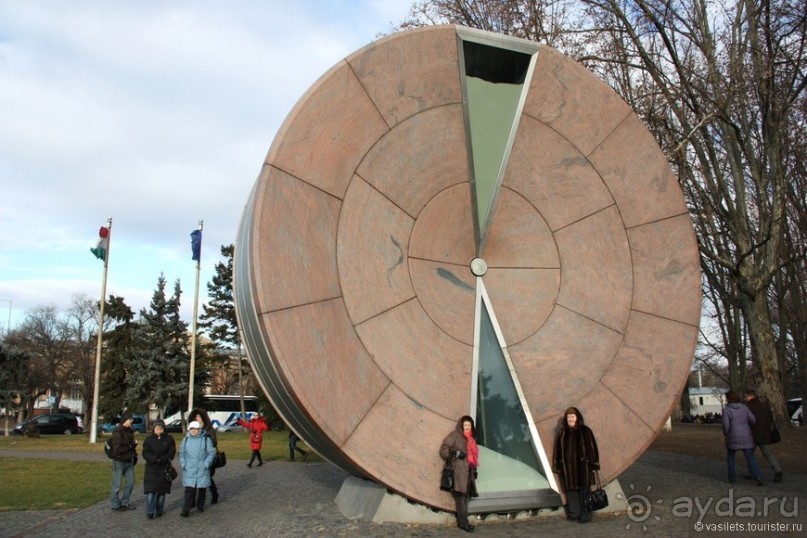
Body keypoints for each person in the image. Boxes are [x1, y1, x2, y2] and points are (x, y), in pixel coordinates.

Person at [552, 406, 600, 523]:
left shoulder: (585, 431)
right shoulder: (562, 433)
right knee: (571, 492)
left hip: (583, 468)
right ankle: (574, 513)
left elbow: (592, 448)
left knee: (584, 491)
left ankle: (585, 515)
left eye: (573, 417)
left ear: (577, 418)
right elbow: (557, 451)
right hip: (568, 469)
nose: (571, 419)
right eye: (569, 417)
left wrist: (594, 464)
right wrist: (557, 465)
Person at [439, 415, 479, 533]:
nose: (467, 427)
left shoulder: (471, 439)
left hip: (468, 473)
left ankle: (463, 522)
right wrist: (455, 454)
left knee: (464, 497)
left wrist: (474, 472)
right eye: (465, 425)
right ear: (461, 426)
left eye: (469, 425)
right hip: (458, 472)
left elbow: (474, 457)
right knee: (460, 497)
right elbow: (443, 450)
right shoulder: (454, 435)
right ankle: (463, 523)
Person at [722, 391, 763, 485]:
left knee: (731, 457)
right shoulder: (744, 408)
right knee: (750, 457)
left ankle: (732, 477)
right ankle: (758, 476)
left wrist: (726, 433)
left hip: (733, 435)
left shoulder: (727, 410)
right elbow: (752, 419)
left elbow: (726, 425)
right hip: (746, 435)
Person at [743, 389, 783, 483]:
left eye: (746, 396)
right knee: (768, 453)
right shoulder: (764, 406)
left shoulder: (748, 407)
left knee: (750, 454)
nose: (745, 398)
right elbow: (770, 419)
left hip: (752, 434)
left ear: (750, 396)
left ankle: (752, 471)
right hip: (765, 433)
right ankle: (778, 469)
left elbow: (747, 421)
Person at [178, 420, 215, 516]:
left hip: (202, 468)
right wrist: (184, 464)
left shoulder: (206, 440)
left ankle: (200, 506)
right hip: (189, 468)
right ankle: (185, 510)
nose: (194, 431)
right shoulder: (185, 440)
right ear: (189, 430)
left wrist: (206, 464)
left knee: (201, 488)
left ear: (199, 430)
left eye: (196, 429)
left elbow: (211, 453)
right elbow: (181, 453)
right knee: (189, 490)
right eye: (192, 429)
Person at [142, 419, 177, 519]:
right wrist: (154, 459)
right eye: (156, 428)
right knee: (150, 492)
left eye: (160, 428)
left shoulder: (169, 439)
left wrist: (162, 459)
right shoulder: (148, 440)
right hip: (151, 468)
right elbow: (145, 453)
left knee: (161, 492)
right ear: (153, 429)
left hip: (164, 467)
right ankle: (149, 511)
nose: (158, 430)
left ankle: (159, 510)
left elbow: (172, 452)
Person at [190, 407, 220, 503]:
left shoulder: (209, 429)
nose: (198, 418)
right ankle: (192, 500)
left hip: (207, 457)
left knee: (207, 477)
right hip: (195, 458)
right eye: (196, 417)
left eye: (199, 416)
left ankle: (214, 494)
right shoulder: (193, 429)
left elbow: (214, 443)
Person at [109, 413, 138, 512]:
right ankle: (115, 504)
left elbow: (132, 446)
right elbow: (117, 450)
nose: (132, 421)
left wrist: (135, 455)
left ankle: (125, 502)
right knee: (116, 484)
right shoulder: (117, 432)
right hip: (119, 461)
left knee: (130, 482)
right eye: (130, 420)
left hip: (129, 461)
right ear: (124, 421)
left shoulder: (130, 431)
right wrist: (131, 446)